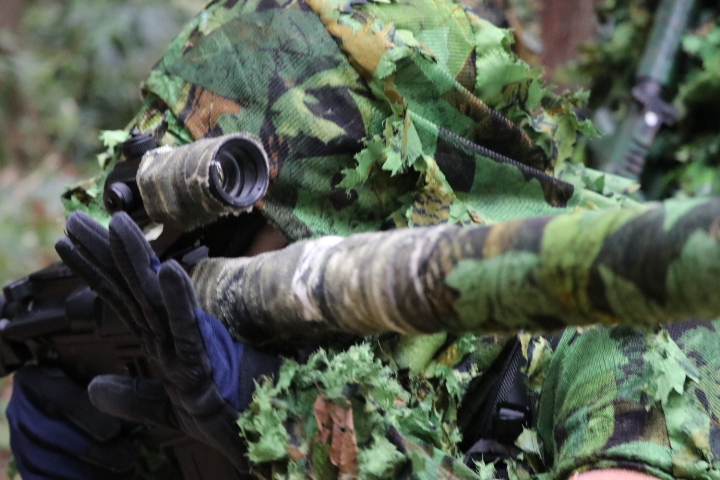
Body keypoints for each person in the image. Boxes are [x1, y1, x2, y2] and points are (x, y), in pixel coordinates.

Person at [7, 1, 720, 480]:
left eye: (220, 235)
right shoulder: (210, 369)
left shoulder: (628, 313)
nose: (192, 267)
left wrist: (296, 429)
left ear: (347, 207)